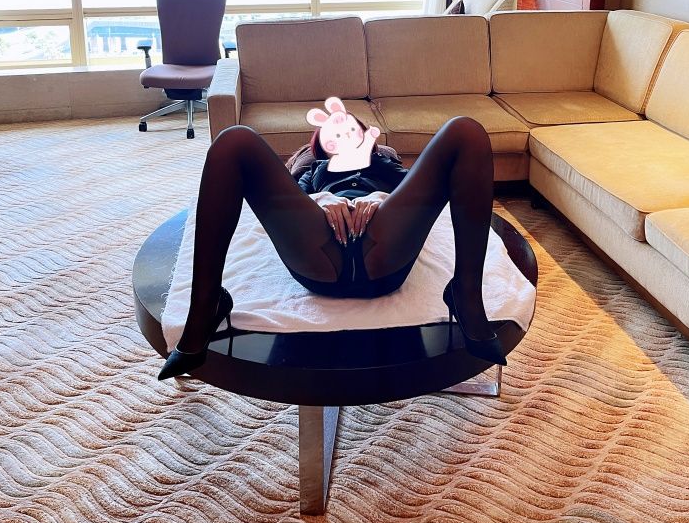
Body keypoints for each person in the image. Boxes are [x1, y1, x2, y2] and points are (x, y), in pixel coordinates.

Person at [158, 113, 505, 381]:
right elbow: (290, 202)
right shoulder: (316, 169)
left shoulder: (384, 164)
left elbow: (418, 194)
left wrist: (380, 199)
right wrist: (322, 200)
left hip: (383, 244)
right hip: (321, 247)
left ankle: (465, 294)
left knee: (466, 131)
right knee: (234, 140)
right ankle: (206, 305)